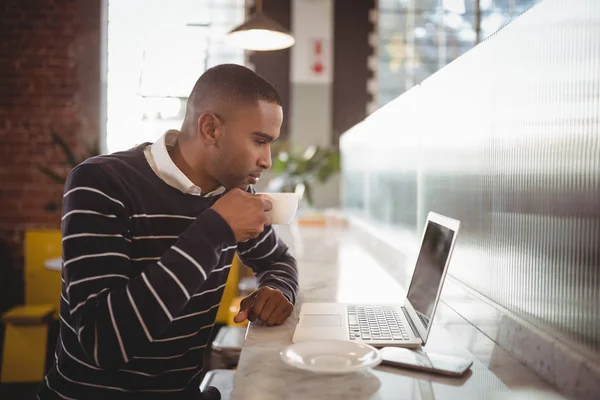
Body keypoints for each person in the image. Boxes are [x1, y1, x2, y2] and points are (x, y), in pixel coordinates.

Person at [37, 64, 299, 400]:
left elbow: (278, 260)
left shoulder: (233, 194)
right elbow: (104, 343)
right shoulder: (100, 182)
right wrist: (215, 229)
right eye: (260, 141)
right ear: (211, 129)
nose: (268, 161)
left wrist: (278, 289)